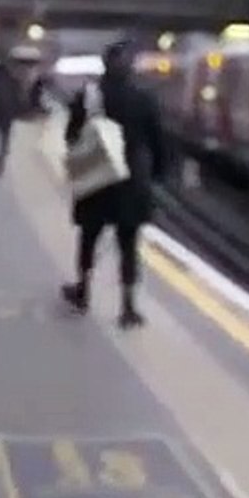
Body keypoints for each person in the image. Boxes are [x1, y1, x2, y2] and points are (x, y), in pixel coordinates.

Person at [60, 41, 167, 328]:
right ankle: (128, 306)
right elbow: (158, 142)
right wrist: (158, 175)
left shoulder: (88, 96)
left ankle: (82, 290)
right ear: (130, 67)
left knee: (89, 237)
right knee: (128, 244)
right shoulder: (144, 98)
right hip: (131, 182)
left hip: (96, 177)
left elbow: (71, 136)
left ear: (105, 65)